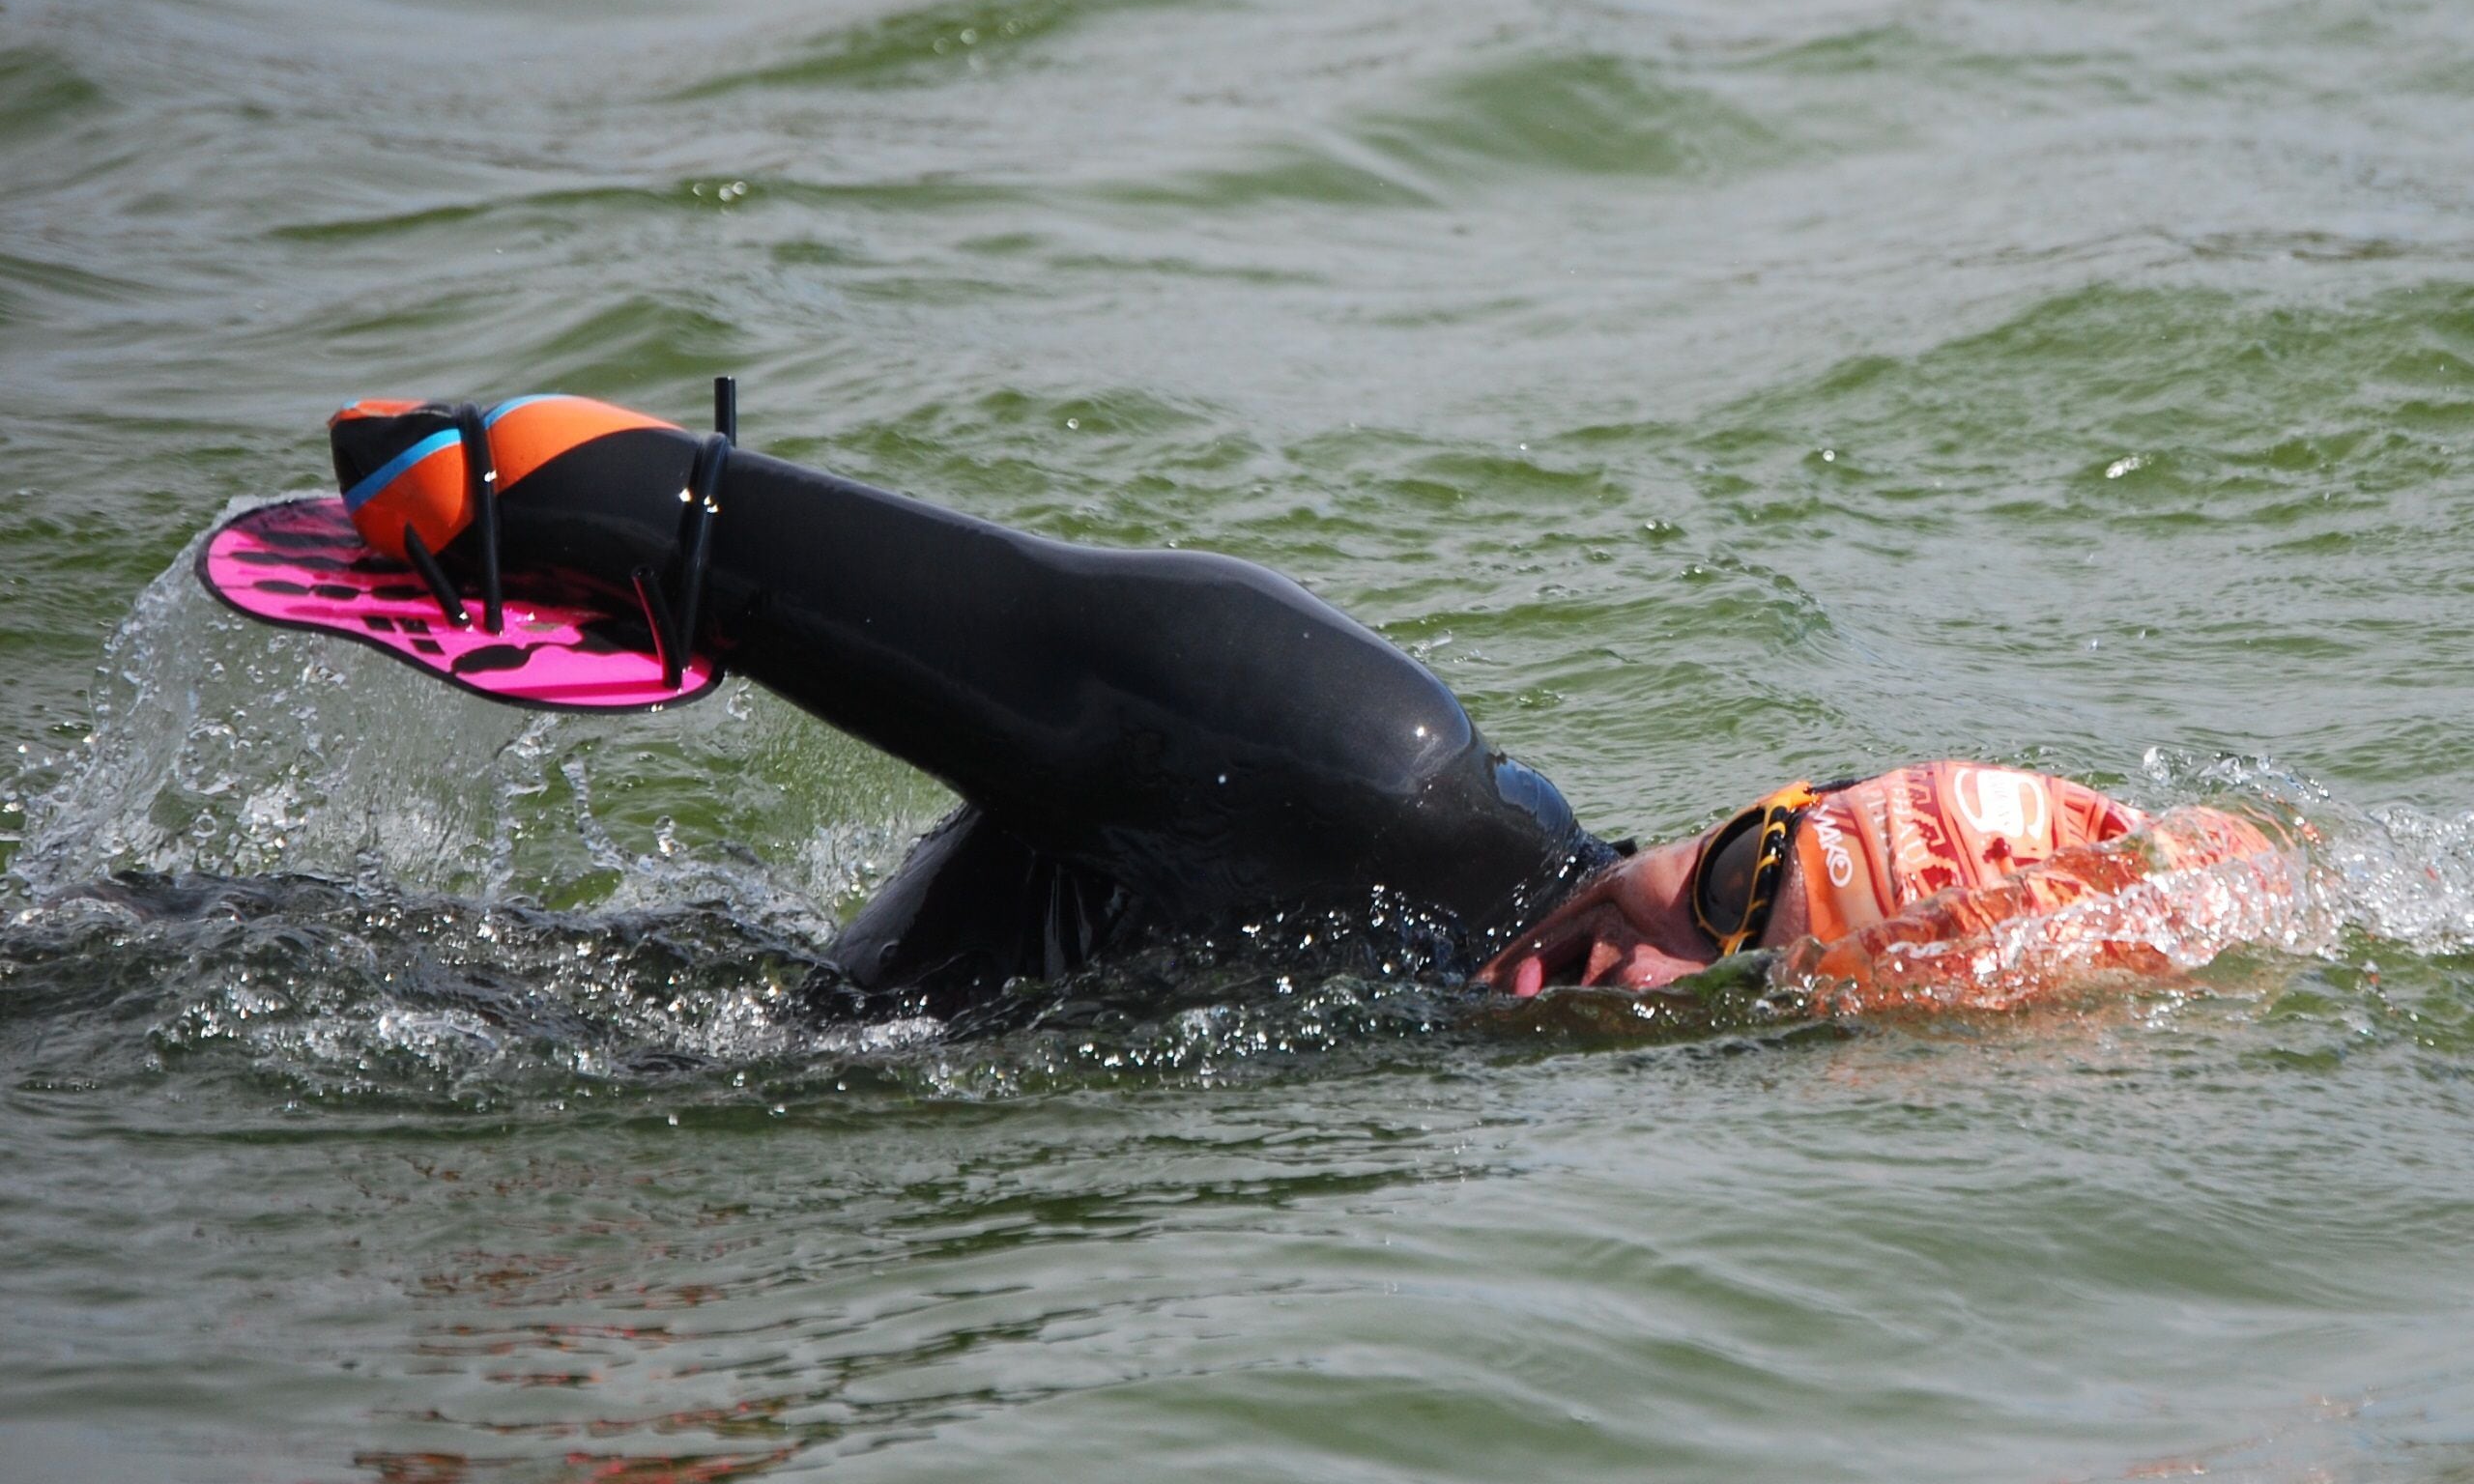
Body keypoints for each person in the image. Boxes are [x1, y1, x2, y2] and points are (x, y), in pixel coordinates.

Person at [310, 390, 2294, 1017]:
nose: (1661, 970)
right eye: (1750, 876)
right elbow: (676, 507)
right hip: (363, 1014)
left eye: (1761, 992)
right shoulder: (1350, 768)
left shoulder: (1469, 1074)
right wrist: (500, 490)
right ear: (1758, 798)